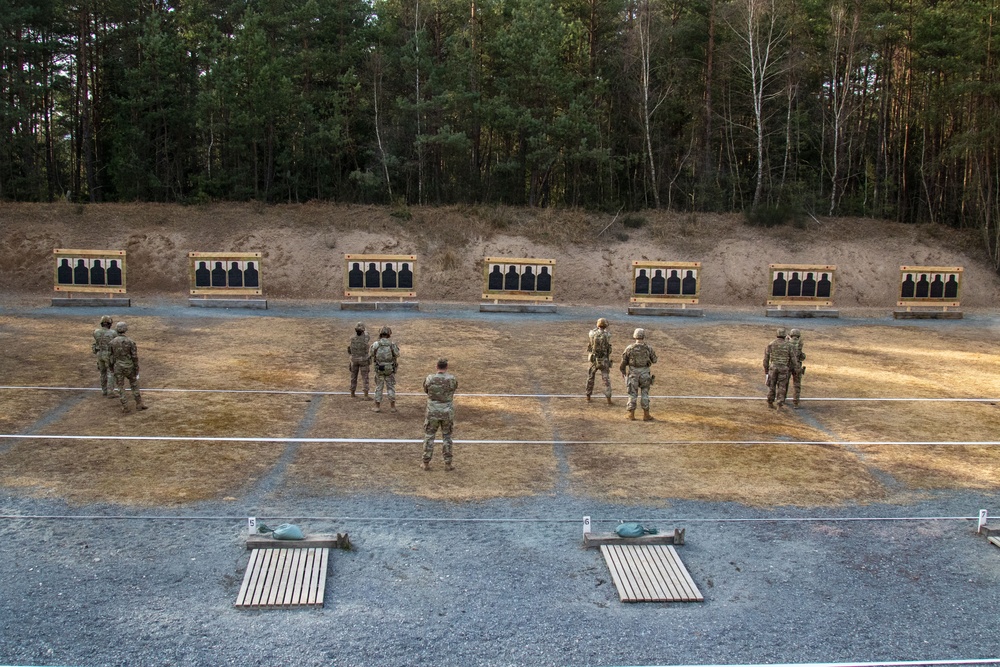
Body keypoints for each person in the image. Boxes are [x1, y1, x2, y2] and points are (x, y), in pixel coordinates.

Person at [421, 358, 458, 471]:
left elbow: (426, 389)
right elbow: (453, 389)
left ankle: (426, 463)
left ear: (437, 366)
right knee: (447, 437)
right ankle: (448, 464)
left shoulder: (430, 378)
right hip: (447, 411)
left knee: (429, 436)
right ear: (446, 367)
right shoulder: (452, 379)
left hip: (432, 411)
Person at [619, 328, 657, 421]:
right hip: (645, 374)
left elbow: (623, 362)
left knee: (632, 394)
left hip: (633, 374)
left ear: (634, 336)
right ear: (643, 336)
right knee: (645, 393)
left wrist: (623, 371)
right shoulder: (648, 348)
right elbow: (654, 360)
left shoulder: (629, 348)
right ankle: (646, 415)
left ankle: (631, 415)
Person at [109, 321, 147, 413]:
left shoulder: (112, 342)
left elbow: (110, 356)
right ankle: (139, 404)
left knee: (120, 387)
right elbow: (134, 356)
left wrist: (111, 367)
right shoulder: (130, 341)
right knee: (134, 385)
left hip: (118, 367)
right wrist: (136, 367)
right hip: (129, 366)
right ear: (125, 329)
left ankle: (125, 406)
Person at [763, 327, 798, 409]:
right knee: (782, 387)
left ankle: (770, 402)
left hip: (773, 367)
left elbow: (766, 358)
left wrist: (766, 370)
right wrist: (796, 368)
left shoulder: (771, 344)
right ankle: (780, 404)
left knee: (772, 385)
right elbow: (793, 359)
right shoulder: (789, 345)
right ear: (785, 335)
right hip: (783, 368)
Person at [369, 325, 400, 413]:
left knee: (379, 387)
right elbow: (397, 354)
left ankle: (377, 407)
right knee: (390, 387)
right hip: (389, 368)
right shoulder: (392, 344)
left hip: (379, 368)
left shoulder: (376, 344)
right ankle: (392, 407)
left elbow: (371, 354)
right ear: (389, 334)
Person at [586, 318, 613, 404]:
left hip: (593, 359)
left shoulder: (592, 334)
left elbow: (591, 335)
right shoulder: (607, 334)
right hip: (604, 359)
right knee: (606, 379)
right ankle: (608, 399)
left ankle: (588, 396)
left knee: (590, 377)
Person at [92, 315, 117, 397]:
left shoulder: (96, 332)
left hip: (99, 353)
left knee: (102, 373)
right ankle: (110, 391)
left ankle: (104, 390)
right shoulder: (113, 333)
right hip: (108, 354)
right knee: (110, 372)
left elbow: (95, 343)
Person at [347, 322, 372, 399]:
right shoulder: (366, 337)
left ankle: (352, 392)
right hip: (363, 359)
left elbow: (349, 349)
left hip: (354, 359)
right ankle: (366, 395)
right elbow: (367, 334)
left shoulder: (352, 337)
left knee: (353, 376)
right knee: (365, 377)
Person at [787, 328, 806, 408]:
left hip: (788, 365)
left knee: (784, 383)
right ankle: (796, 402)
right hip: (797, 366)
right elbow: (802, 357)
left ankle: (782, 399)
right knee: (797, 385)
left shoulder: (787, 342)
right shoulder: (800, 343)